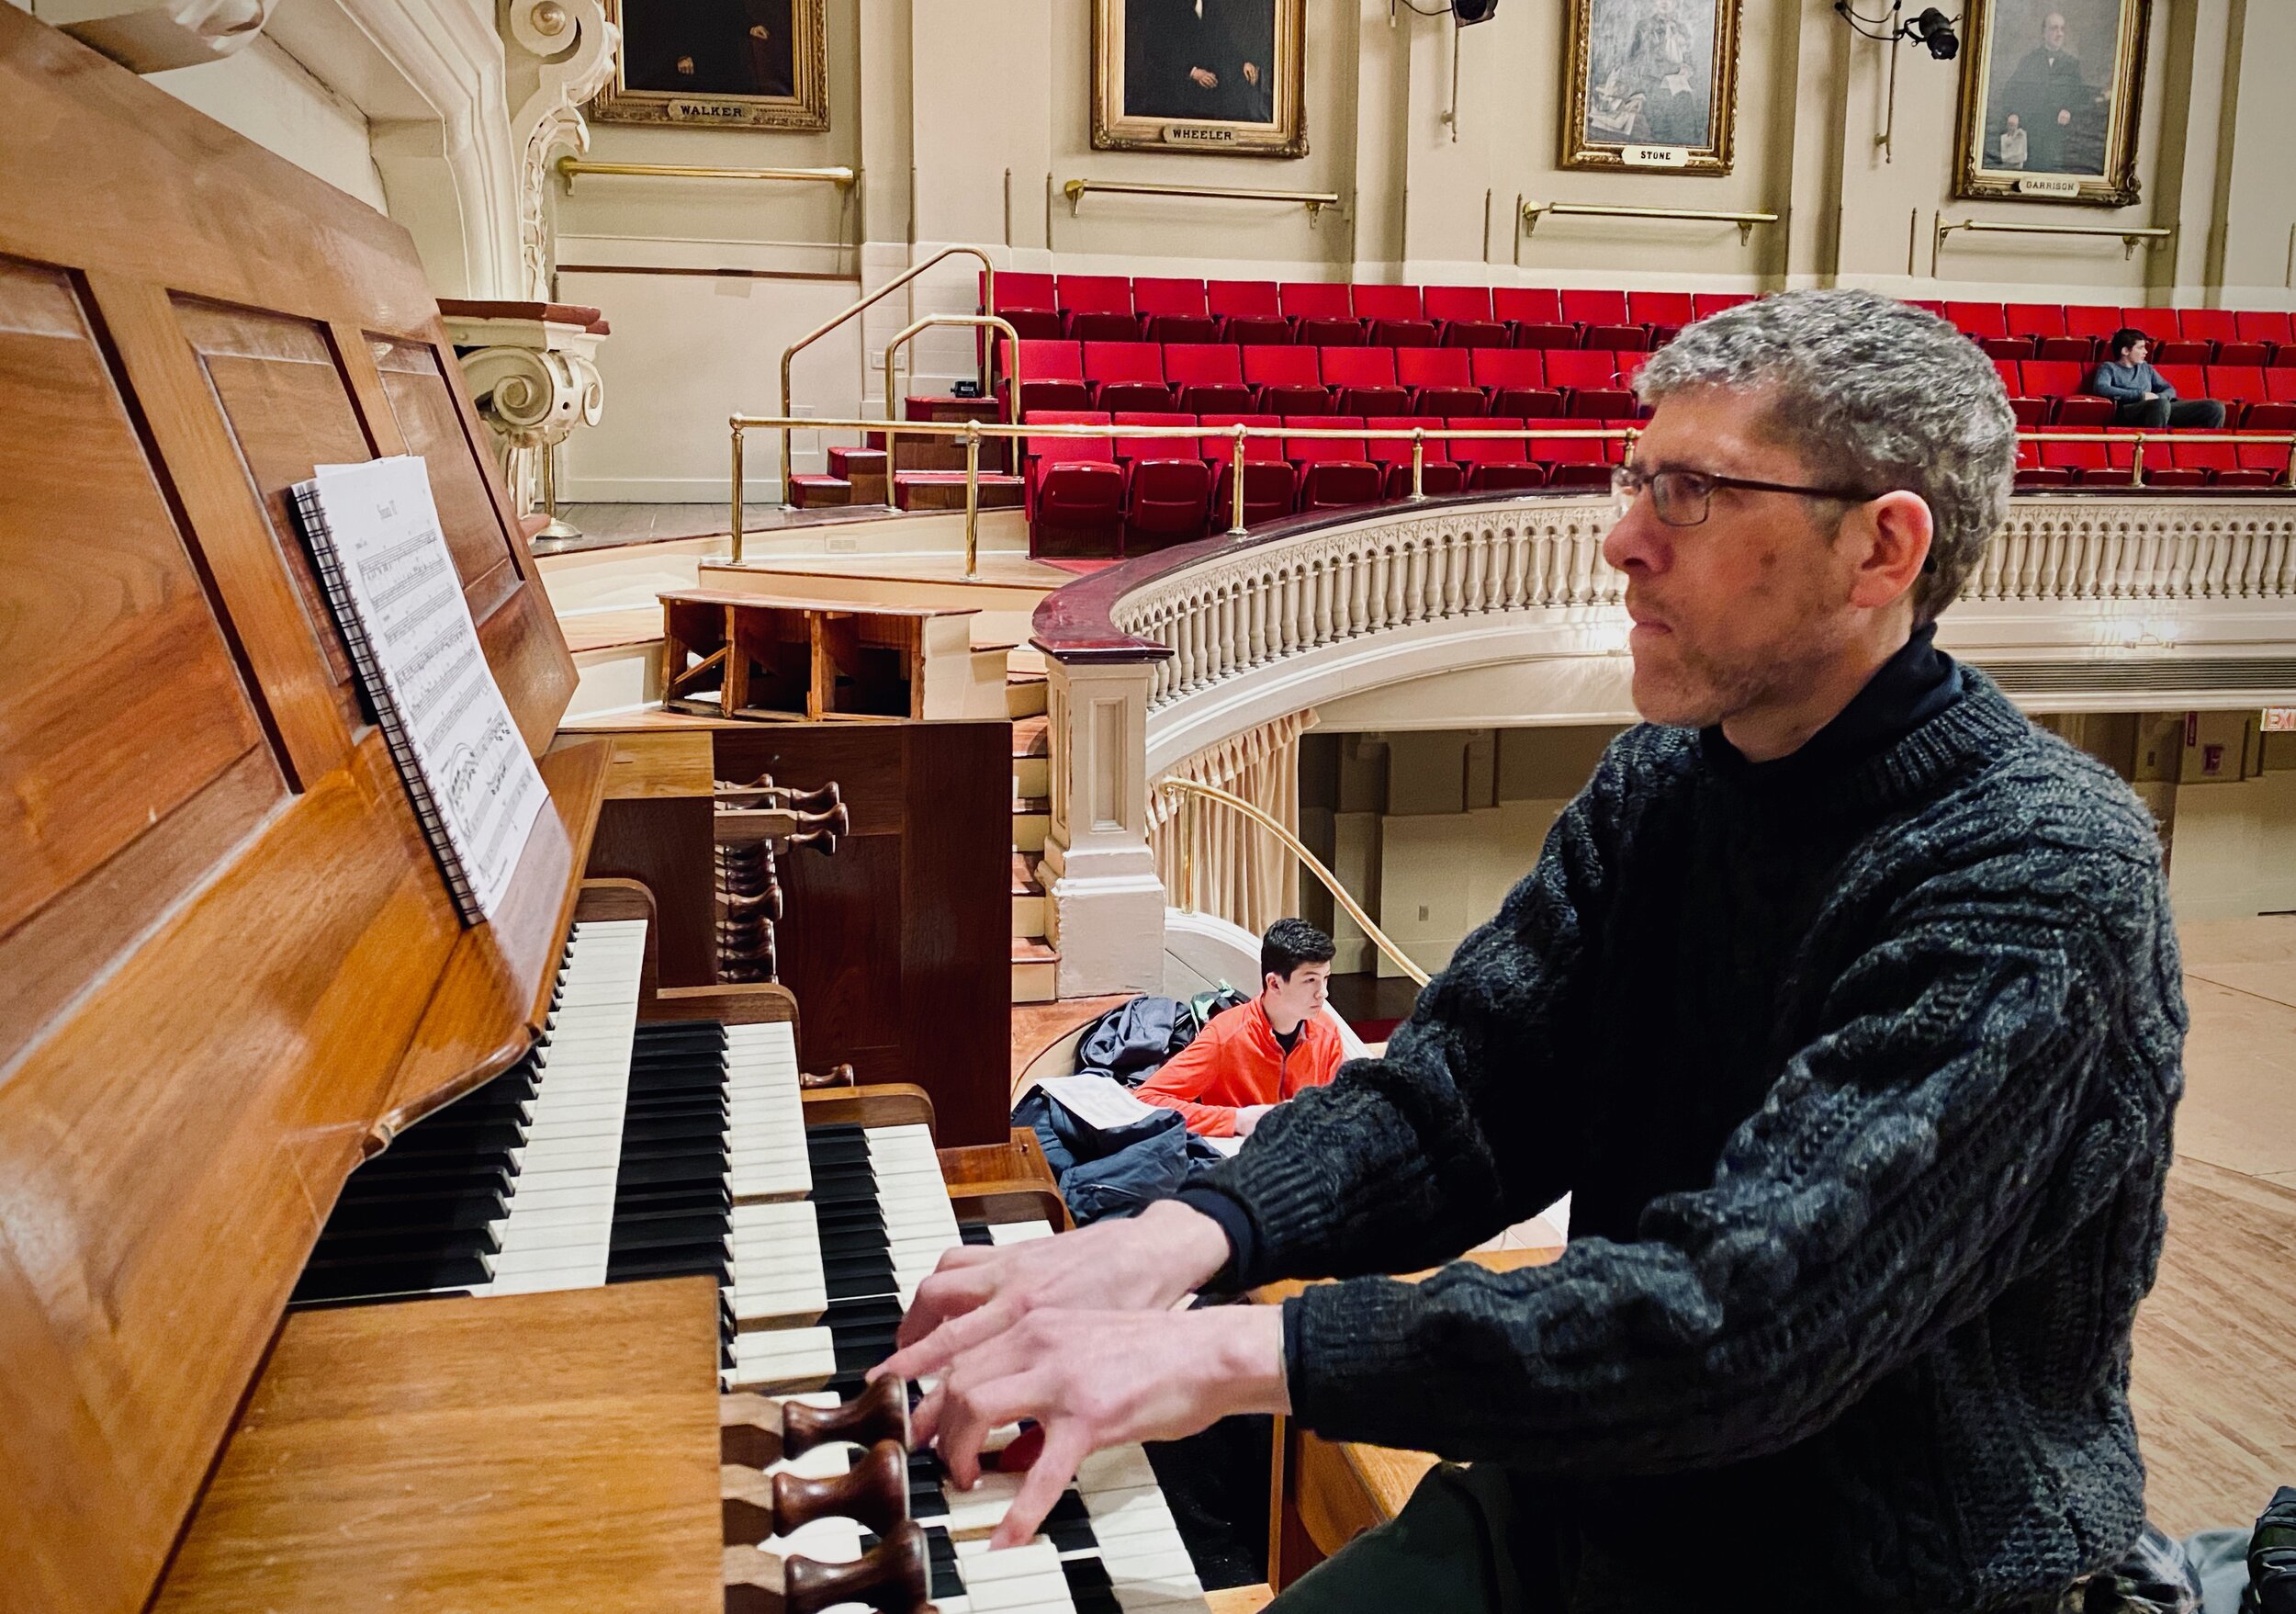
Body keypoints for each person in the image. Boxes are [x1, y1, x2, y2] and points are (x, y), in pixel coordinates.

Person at [873, 289, 2185, 1613]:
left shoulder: (2041, 872)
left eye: (1689, 493)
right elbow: (1460, 1103)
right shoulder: (1663, 786)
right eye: (1635, 482)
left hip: (1882, 1578)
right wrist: (1182, 1232)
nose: (1623, 540)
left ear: (1881, 549)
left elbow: (1742, 1322)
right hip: (1597, 1504)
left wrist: (1224, 1354)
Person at [1133, 919, 1344, 1137]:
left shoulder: (1326, 1031)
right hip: (1238, 1159)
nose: (1323, 992)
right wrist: (1236, 1120)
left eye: (1325, 978)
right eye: (1310, 980)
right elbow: (1145, 1100)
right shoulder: (1224, 1035)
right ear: (1274, 983)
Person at [1997, 10, 2099, 174]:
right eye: (2054, 28)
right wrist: (2012, 113)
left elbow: (2082, 98)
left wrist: (2068, 110)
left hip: (2060, 136)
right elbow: (2011, 91)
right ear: (2044, 33)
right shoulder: (2029, 60)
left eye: (2062, 29)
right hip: (2032, 132)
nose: (2059, 34)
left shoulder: (2071, 64)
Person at [2093, 329, 2227, 428]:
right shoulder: (2108, 367)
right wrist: (2141, 395)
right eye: (2140, 348)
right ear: (2125, 351)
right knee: (2161, 405)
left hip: (2160, 406)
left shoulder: (2146, 367)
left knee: (2215, 407)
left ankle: (2210, 452)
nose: (2145, 352)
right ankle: (2157, 450)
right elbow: (2102, 388)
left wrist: (2160, 396)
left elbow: (2169, 389)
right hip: (2130, 411)